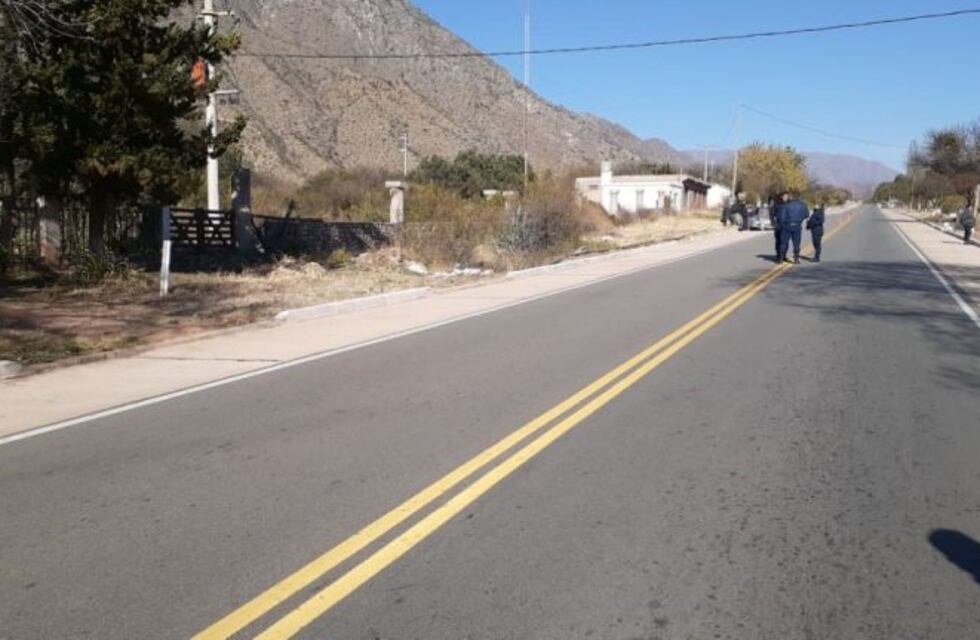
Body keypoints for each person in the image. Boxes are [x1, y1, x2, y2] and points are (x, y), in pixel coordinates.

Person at [776, 191, 810, 263]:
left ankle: (781, 258)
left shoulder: (786, 205)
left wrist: (781, 224)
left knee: (783, 242)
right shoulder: (803, 205)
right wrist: (799, 220)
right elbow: (806, 215)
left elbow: (782, 217)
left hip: (786, 226)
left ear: (791, 197)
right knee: (796, 243)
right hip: (797, 226)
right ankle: (796, 258)